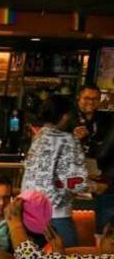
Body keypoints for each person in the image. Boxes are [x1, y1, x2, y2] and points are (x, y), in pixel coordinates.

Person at [22, 95, 93, 248]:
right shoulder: (67, 139)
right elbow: (75, 182)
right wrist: (95, 187)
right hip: (56, 215)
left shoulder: (39, 136)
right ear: (65, 115)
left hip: (30, 215)